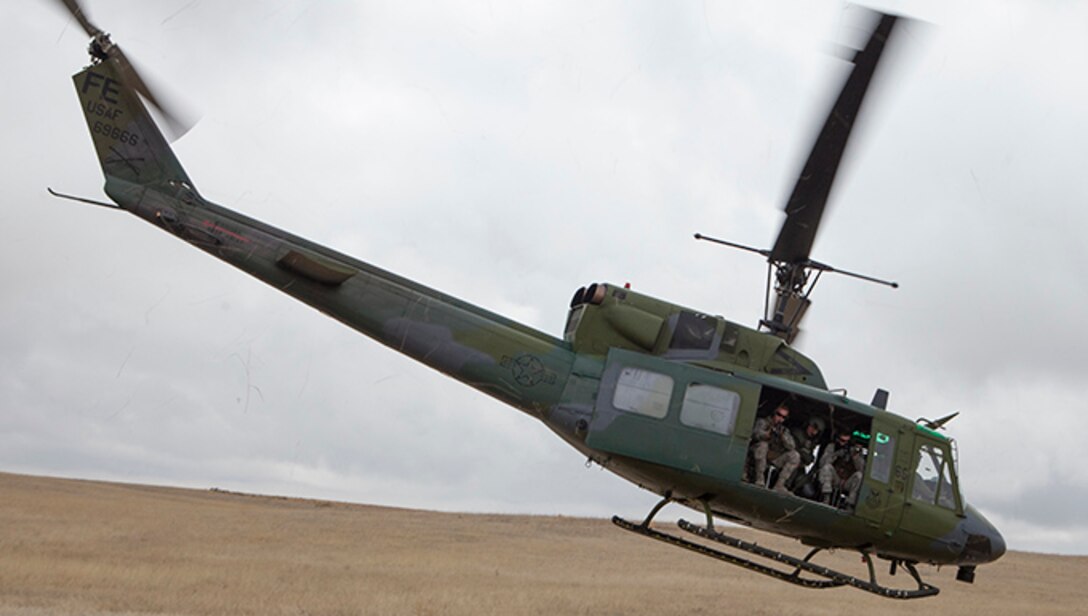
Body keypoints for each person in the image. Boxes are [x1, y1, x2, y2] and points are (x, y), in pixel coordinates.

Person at [747, 403, 800, 492]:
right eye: (779, 415)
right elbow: (755, 433)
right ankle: (759, 480)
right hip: (757, 454)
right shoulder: (763, 422)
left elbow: (792, 446)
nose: (780, 419)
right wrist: (766, 435)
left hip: (773, 457)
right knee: (763, 445)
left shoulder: (783, 430)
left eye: (783, 417)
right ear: (774, 413)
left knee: (795, 455)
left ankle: (779, 485)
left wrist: (783, 438)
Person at [818, 430, 865, 508]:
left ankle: (850, 504)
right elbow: (822, 464)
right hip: (834, 478)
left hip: (847, 481)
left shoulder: (854, 450)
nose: (844, 444)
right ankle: (826, 498)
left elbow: (861, 469)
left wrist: (855, 457)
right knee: (827, 468)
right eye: (842, 441)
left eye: (847, 442)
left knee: (859, 475)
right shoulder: (832, 447)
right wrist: (835, 455)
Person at [786, 416, 825, 493]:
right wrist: (804, 454)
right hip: (788, 461)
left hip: (800, 468)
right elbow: (793, 448)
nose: (813, 431)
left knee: (808, 491)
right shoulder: (797, 434)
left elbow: (809, 460)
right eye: (812, 427)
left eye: (816, 430)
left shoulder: (813, 443)